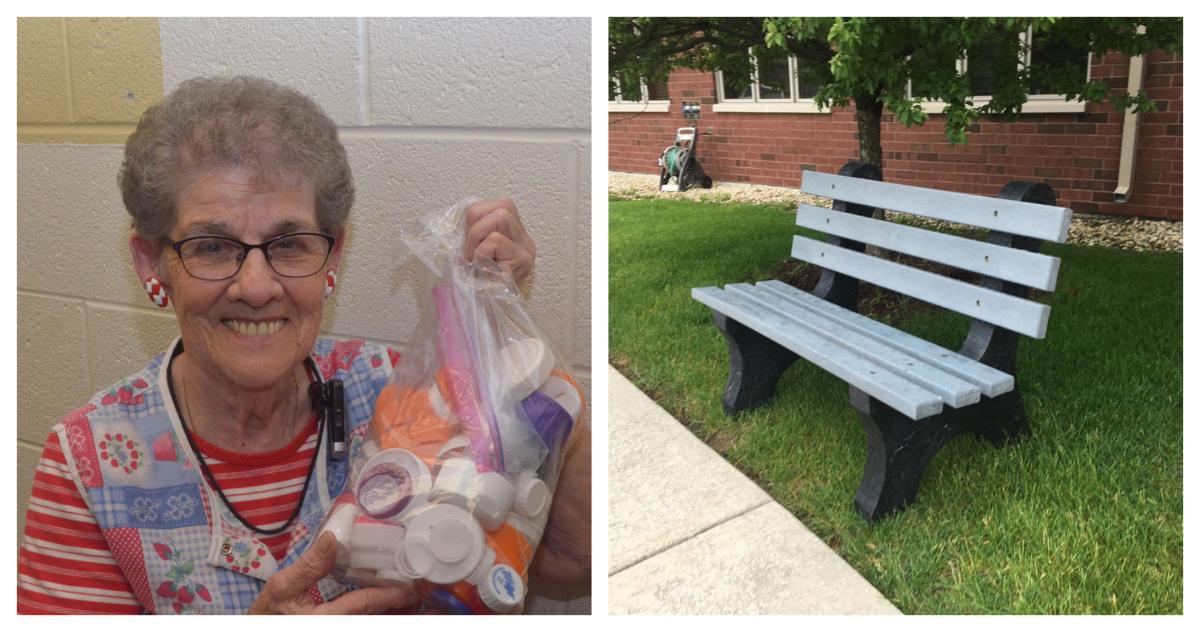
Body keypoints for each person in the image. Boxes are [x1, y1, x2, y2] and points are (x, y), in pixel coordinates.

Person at [16, 76, 590, 615]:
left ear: (333, 255)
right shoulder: (90, 465)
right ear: (151, 263)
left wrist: (490, 327)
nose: (256, 287)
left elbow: (568, 563)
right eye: (211, 247)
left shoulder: (400, 394)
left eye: (289, 244)